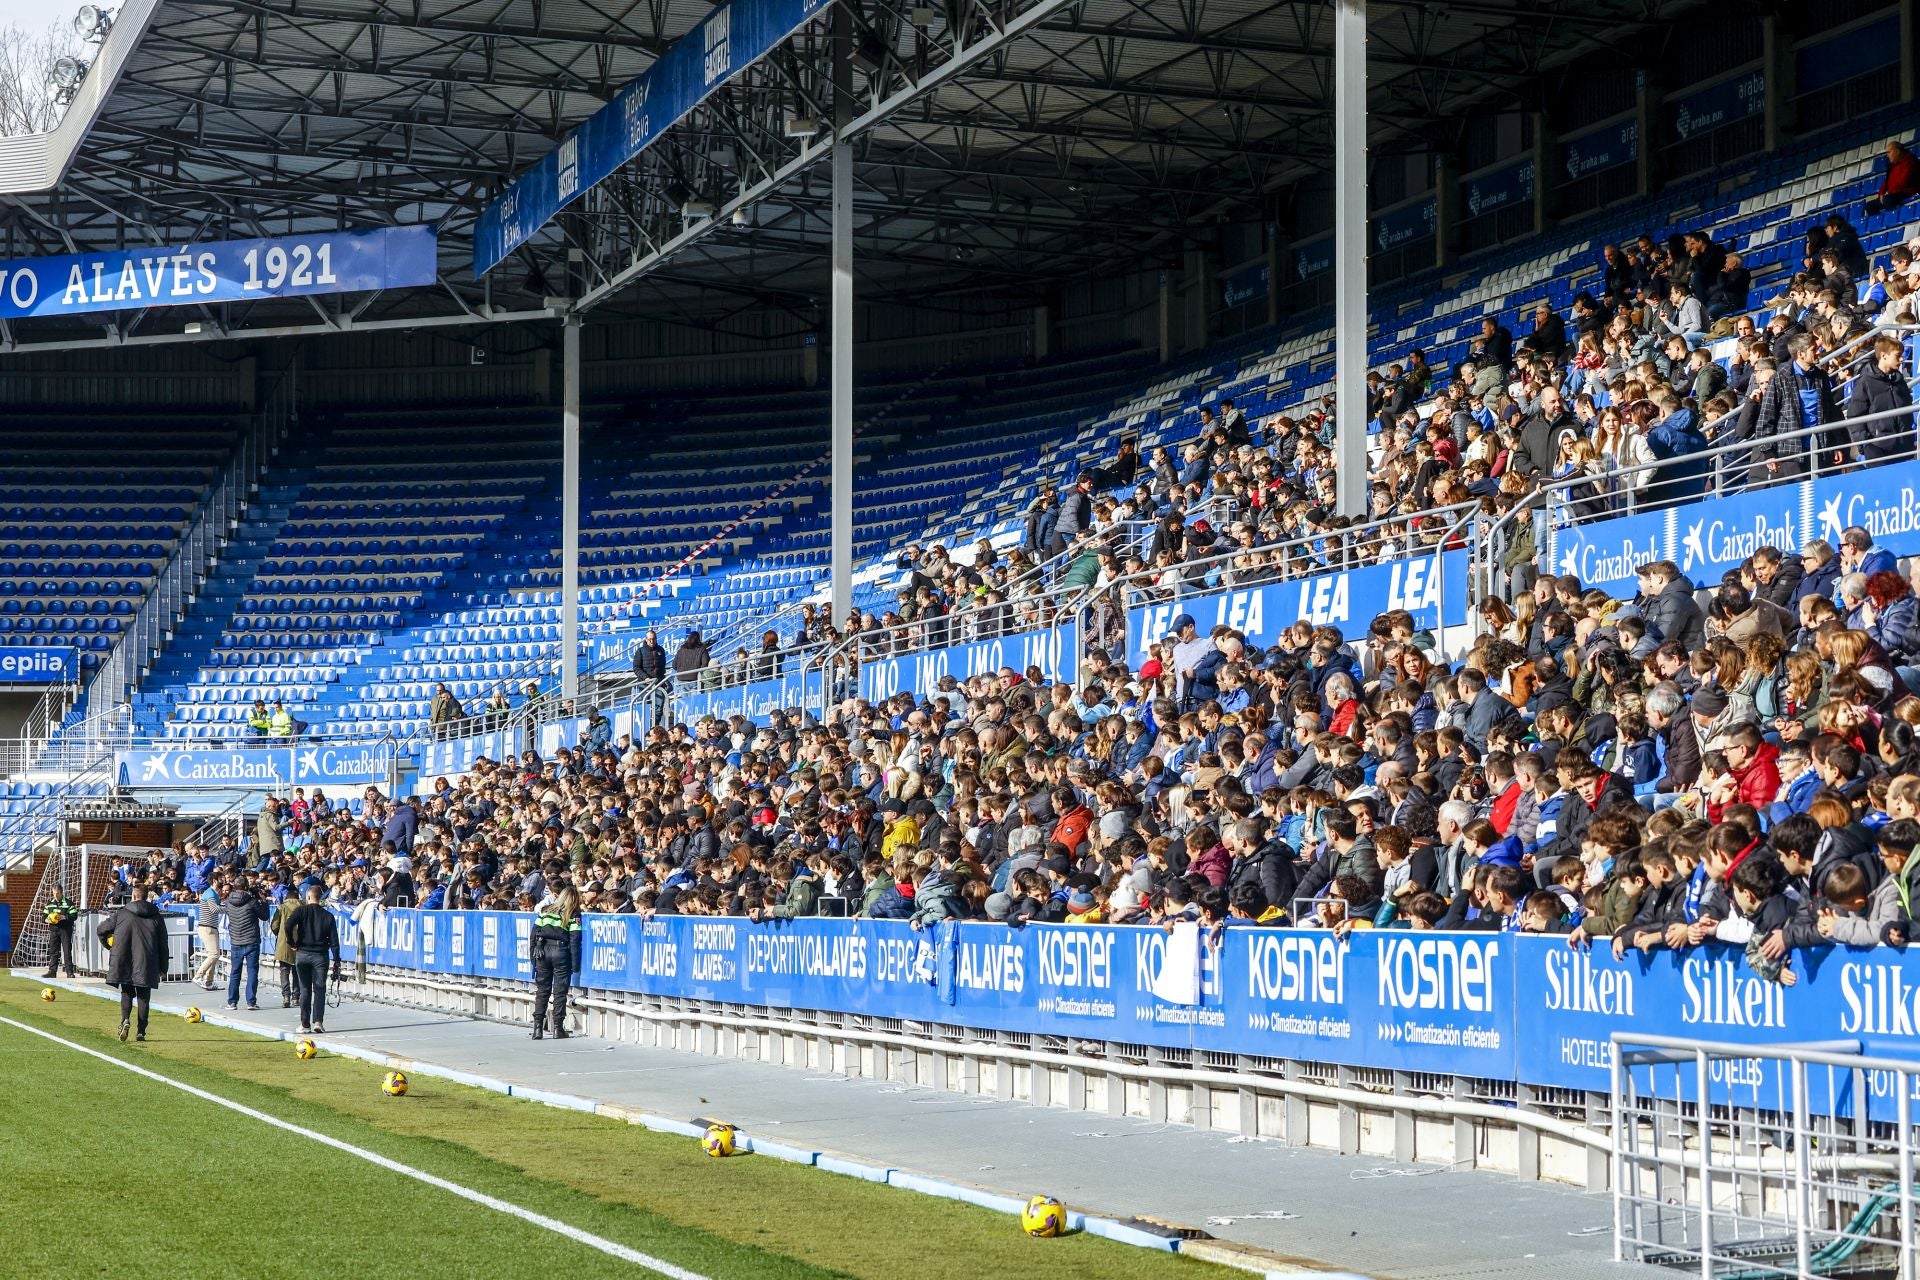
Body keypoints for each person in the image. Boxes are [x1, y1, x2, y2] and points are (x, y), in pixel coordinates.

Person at [98, 881, 169, 1043]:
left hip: (124, 959)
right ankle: (141, 1032)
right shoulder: (156, 916)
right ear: (146, 897)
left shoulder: (122, 913)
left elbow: (101, 930)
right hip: (147, 961)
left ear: (134, 896)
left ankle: (125, 1020)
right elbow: (163, 944)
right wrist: (163, 967)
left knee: (127, 992)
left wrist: (110, 946)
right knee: (144, 996)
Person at [285, 885, 343, 1036]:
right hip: (320, 955)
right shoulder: (328, 916)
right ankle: (318, 1021)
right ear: (320, 898)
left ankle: (304, 1024)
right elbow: (334, 941)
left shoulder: (301, 911)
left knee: (304, 989)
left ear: (308, 897)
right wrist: (336, 959)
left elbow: (288, 925)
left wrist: (292, 942)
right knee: (319, 989)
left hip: (302, 953)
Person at [530, 883, 580, 1040]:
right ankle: (558, 1028)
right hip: (561, 952)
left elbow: (534, 934)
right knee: (560, 992)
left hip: (542, 951)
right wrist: (575, 964)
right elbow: (575, 941)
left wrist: (533, 956)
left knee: (542, 991)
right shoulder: (573, 914)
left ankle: (537, 1028)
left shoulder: (545, 911)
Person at [223, 878, 267, 1011]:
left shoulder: (228, 902)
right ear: (246, 887)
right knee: (252, 972)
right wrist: (263, 901)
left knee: (235, 972)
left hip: (236, 940)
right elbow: (264, 916)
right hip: (251, 940)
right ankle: (251, 1002)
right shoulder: (252, 901)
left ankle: (232, 1002)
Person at [1868, 140, 1920, 215]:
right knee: (1870, 206)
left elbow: (1903, 182)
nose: (1887, 155)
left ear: (1897, 151)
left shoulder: (1910, 161)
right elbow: (1887, 181)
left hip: (1908, 192)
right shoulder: (1892, 165)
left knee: (1888, 200)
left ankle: (1891, 220)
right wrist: (1881, 193)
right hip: (1894, 194)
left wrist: (1888, 193)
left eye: (1889, 152)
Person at [41, 887, 78, 979]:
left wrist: (64, 917)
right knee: (53, 951)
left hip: (65, 929)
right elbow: (43, 917)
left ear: (61, 893)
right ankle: (52, 971)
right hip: (54, 929)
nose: (55, 895)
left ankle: (69, 972)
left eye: (57, 893)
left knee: (66, 950)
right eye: (54, 893)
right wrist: (47, 920)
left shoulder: (69, 903)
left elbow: (74, 916)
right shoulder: (49, 904)